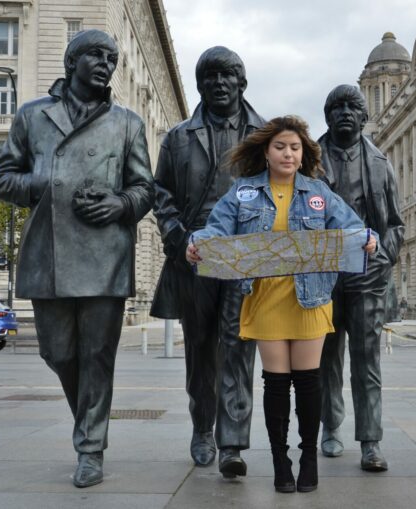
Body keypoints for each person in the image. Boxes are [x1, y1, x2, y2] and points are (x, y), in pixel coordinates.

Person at [0, 30, 153, 488]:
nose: (106, 64)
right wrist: (42, 182)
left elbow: (145, 188)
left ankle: (90, 448)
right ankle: (89, 422)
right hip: (50, 251)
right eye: (96, 56)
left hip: (105, 253)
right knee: (57, 351)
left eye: (112, 58)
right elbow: (3, 178)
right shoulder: (32, 116)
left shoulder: (127, 123)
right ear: (71, 61)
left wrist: (120, 204)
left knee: (98, 355)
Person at [186, 116, 377, 493]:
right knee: (276, 385)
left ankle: (308, 459)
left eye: (294, 147)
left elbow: (354, 226)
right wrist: (196, 244)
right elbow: (215, 229)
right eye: (280, 147)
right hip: (264, 300)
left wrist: (369, 239)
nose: (287, 153)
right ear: (266, 152)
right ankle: (280, 462)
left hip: (311, 299)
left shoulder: (318, 192)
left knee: (308, 383)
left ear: (303, 153)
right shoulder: (243, 192)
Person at [150, 46, 265, 477]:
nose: (219, 83)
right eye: (211, 76)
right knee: (200, 351)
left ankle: (232, 442)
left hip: (246, 255)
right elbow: (161, 193)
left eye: (228, 75)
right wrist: (177, 237)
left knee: (238, 348)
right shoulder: (179, 136)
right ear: (200, 84)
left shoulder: (265, 134)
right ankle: (203, 428)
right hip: (195, 254)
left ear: (241, 82)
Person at [317, 85, 405, 471]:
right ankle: (330, 427)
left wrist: (383, 257)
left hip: (367, 273)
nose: (345, 114)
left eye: (353, 107)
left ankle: (371, 440)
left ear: (364, 117)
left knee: (367, 360)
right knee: (326, 358)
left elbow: (396, 224)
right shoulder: (309, 159)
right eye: (336, 108)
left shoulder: (380, 162)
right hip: (322, 272)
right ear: (327, 117)